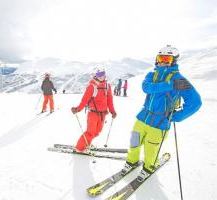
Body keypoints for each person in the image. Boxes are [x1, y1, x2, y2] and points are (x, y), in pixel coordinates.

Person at [121, 45, 202, 181]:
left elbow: (195, 102)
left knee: (151, 148)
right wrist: (171, 85)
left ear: (173, 61)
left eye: (167, 58)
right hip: (143, 117)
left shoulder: (180, 80)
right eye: (160, 58)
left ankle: (148, 167)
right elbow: (147, 88)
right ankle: (131, 161)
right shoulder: (152, 75)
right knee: (134, 141)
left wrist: (177, 116)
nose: (162, 61)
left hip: (160, 121)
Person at [71, 67, 117, 152]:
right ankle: (79, 148)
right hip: (93, 113)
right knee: (90, 132)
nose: (101, 76)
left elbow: (110, 100)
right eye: (99, 74)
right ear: (95, 75)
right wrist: (78, 109)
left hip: (103, 114)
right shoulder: (92, 87)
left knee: (97, 132)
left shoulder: (107, 86)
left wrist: (112, 111)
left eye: (103, 74)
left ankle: (87, 144)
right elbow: (84, 100)